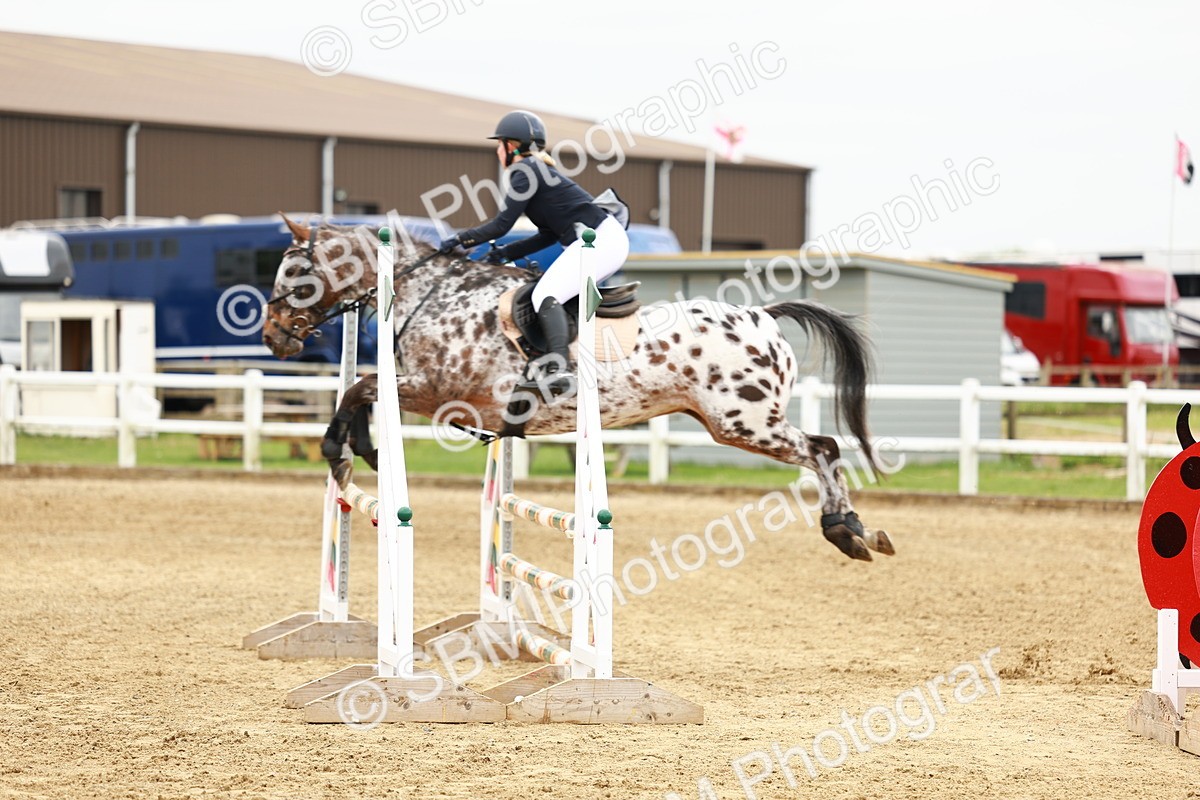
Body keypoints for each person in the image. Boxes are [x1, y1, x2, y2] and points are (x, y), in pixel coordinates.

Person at [439, 110, 630, 396]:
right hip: (604, 239)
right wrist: (503, 254)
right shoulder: (536, 170)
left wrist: (459, 239)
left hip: (601, 241)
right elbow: (548, 234)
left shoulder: (524, 171)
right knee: (551, 292)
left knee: (545, 295)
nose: (496, 150)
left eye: (499, 144)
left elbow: (501, 224)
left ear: (512, 146)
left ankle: (560, 370)